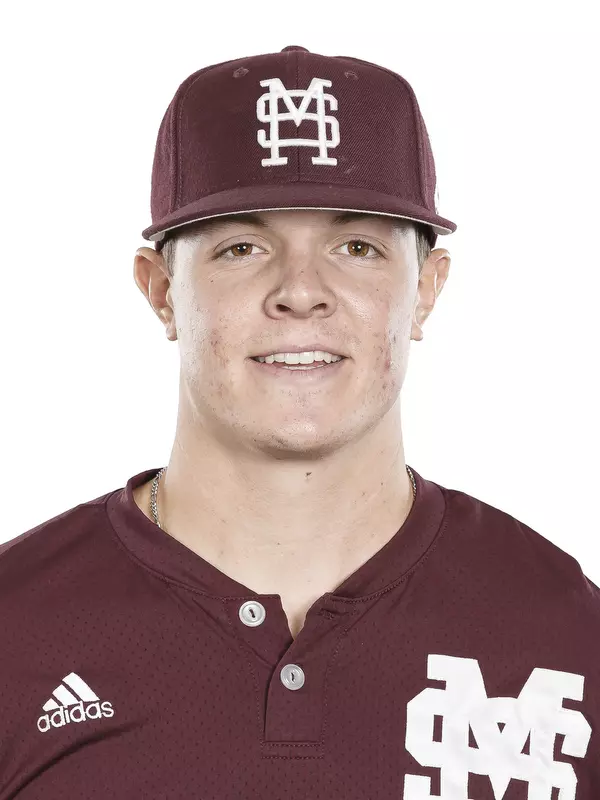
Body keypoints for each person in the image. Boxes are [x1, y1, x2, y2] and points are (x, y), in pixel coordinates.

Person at [1, 45, 598, 797]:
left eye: (357, 247)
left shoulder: (560, 629)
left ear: (427, 290)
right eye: (242, 247)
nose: (301, 292)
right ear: (160, 291)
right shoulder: (15, 628)